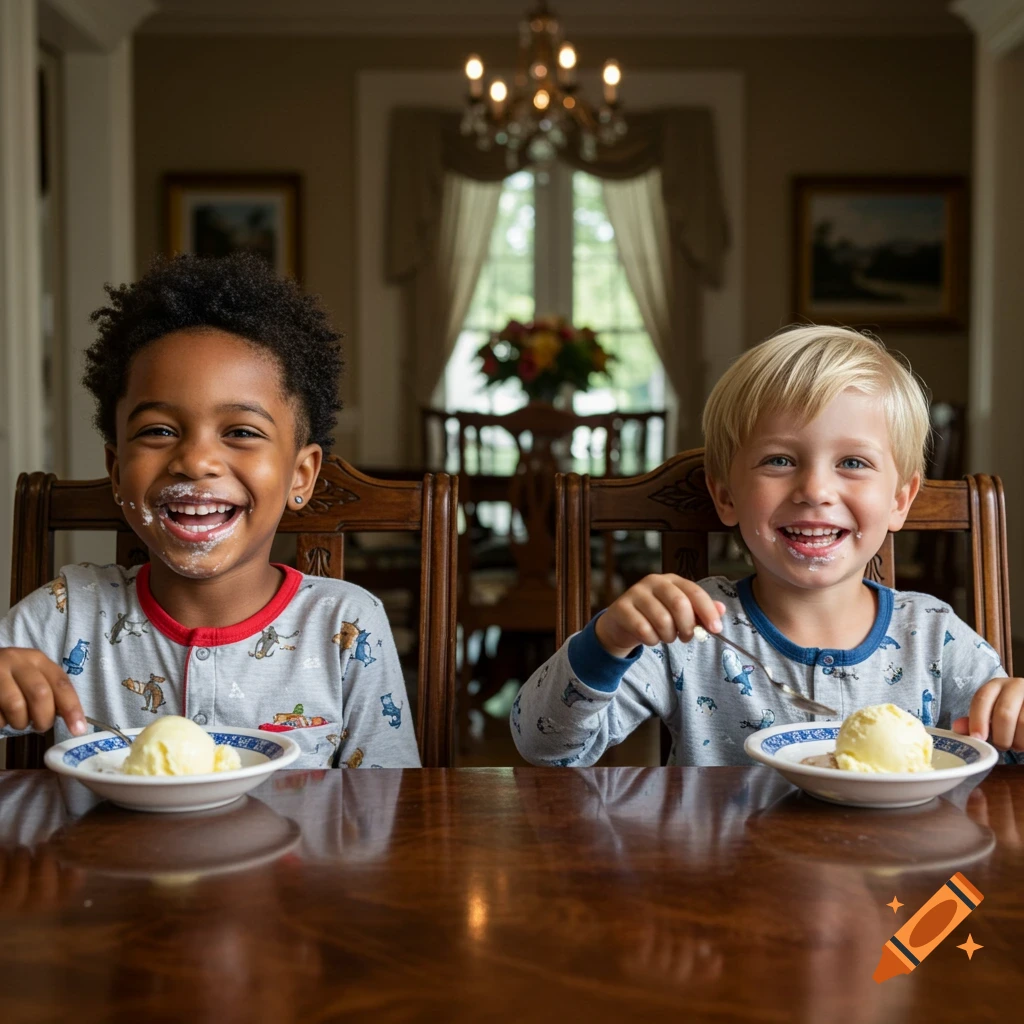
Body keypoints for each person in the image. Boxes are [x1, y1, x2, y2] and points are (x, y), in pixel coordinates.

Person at [511, 325, 1023, 766]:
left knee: (971, 890)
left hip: (897, 880)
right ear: (726, 496)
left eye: (853, 462)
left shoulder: (935, 637)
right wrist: (609, 641)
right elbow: (546, 749)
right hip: (725, 877)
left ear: (900, 500)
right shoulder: (693, 632)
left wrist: (1016, 723)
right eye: (779, 460)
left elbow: (1001, 761)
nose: (816, 491)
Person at [0, 252, 420, 768]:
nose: (195, 461)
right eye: (158, 430)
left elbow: (390, 810)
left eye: (241, 432)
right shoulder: (66, 614)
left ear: (300, 476)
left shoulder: (346, 625)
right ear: (115, 470)